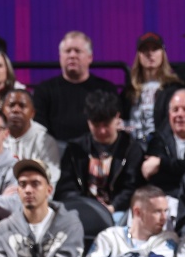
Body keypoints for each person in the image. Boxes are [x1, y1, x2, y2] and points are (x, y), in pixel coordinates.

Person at [55, 90, 143, 221]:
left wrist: (112, 207)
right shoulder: (75, 149)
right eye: (96, 125)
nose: (102, 131)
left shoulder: (131, 149)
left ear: (117, 117)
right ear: (88, 122)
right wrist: (85, 207)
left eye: (106, 125)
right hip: (81, 210)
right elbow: (66, 188)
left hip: (118, 211)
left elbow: (132, 188)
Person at [32, 31, 118, 144]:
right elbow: (39, 129)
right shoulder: (44, 90)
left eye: (78, 51)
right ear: (60, 57)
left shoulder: (106, 89)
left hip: (96, 148)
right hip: (54, 151)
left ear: (90, 57)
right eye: (67, 51)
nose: (72, 55)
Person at [142, 89, 185, 198]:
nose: (180, 114)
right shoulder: (158, 140)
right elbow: (156, 178)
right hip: (164, 202)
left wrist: (162, 164)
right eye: (175, 110)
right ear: (169, 115)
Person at [122, 32, 185, 147]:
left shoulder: (173, 88)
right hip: (132, 147)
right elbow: (123, 121)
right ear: (138, 55)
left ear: (163, 54)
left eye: (155, 49)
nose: (150, 54)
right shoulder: (129, 90)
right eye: (145, 49)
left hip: (161, 147)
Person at [0, 89, 62, 187]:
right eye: (11, 105)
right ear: (3, 110)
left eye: (22, 106)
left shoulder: (45, 141)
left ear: (32, 113)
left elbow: (51, 181)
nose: (16, 110)